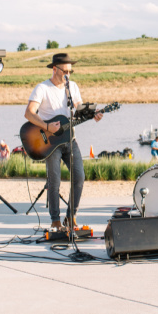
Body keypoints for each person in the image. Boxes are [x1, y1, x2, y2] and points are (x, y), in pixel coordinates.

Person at [24, 53, 104, 231]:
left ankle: (70, 217)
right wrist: (46, 126)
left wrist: (94, 114)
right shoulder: (42, 88)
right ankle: (55, 220)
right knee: (55, 181)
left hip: (69, 139)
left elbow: (79, 108)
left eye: (71, 71)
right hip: (49, 142)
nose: (68, 74)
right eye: (65, 71)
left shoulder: (72, 87)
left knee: (79, 177)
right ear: (55, 69)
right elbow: (29, 113)